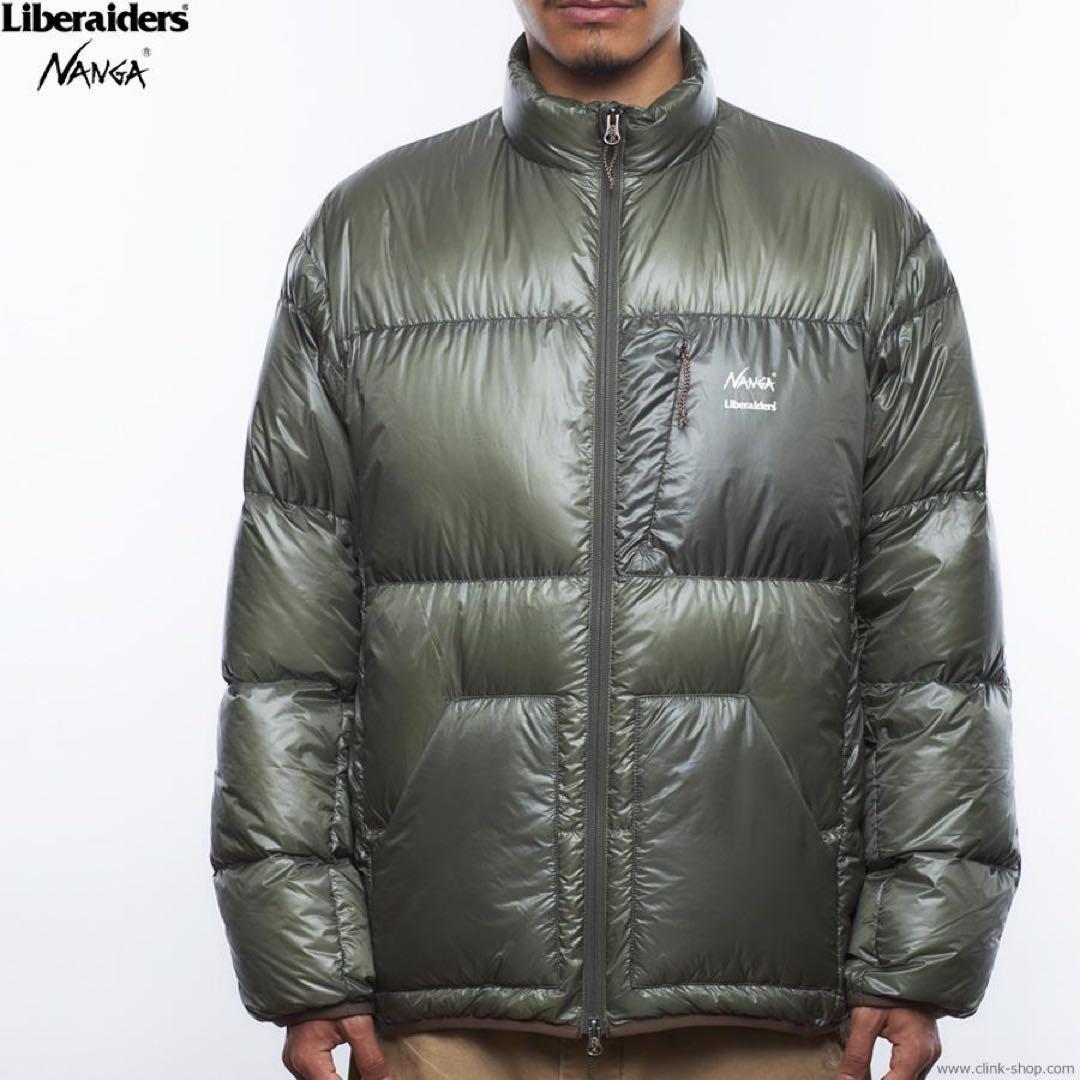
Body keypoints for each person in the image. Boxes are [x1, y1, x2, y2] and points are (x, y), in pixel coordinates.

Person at [210, 2, 1020, 1078]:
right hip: (444, 1017)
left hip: (767, 1014)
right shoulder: (365, 244)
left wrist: (919, 951)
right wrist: (306, 958)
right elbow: (289, 657)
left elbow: (935, 644)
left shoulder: (860, 239)